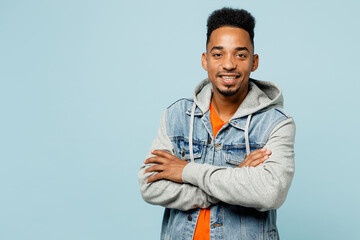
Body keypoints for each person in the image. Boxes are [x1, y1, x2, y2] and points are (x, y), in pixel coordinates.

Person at [138, 7, 295, 240]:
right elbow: (150, 187)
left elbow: (270, 192)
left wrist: (185, 171)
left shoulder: (276, 124)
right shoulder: (176, 116)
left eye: (240, 55)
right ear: (205, 60)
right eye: (218, 54)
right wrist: (234, 179)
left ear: (254, 62)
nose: (229, 65)